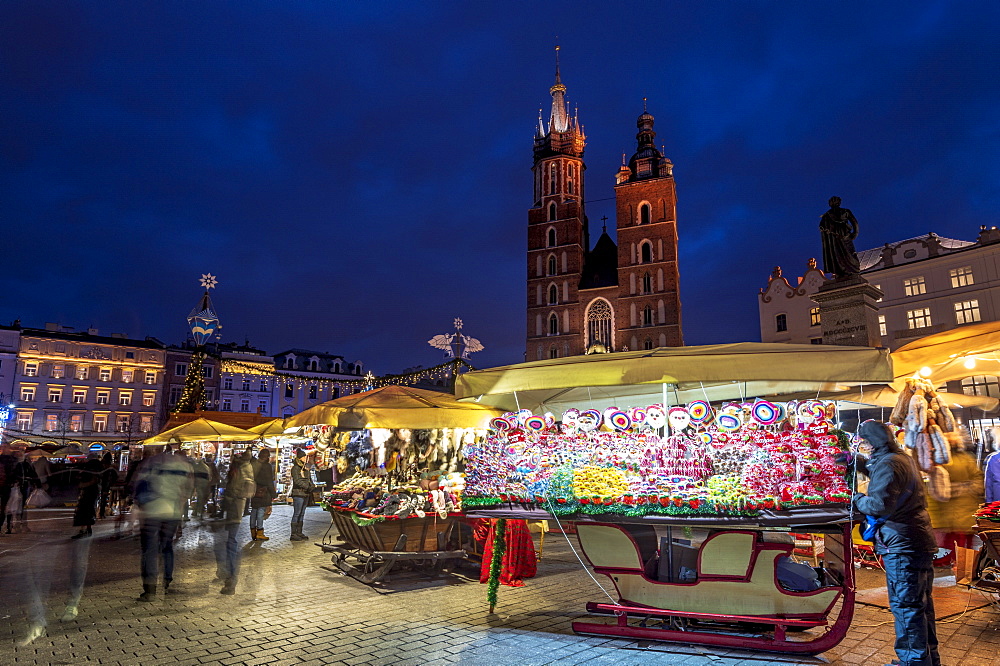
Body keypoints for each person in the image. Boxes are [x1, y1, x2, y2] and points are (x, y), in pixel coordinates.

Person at [852, 420, 940, 666]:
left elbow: (879, 505)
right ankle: (928, 660)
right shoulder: (901, 458)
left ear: (874, 442)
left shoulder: (890, 463)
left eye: (866, 442)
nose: (865, 447)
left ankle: (913, 662)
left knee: (906, 607)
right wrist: (859, 463)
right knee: (921, 607)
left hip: (903, 545)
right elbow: (883, 474)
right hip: (916, 540)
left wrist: (856, 497)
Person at [134, 447, 193, 601]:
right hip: (172, 512)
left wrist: (140, 506)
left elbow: (140, 485)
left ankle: (150, 590)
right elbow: (188, 489)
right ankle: (167, 581)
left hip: (152, 511)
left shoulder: (151, 463)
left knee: (150, 550)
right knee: (167, 546)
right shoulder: (183, 464)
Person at [925, 433, 984, 566]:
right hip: (960, 509)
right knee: (962, 541)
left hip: (952, 511)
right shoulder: (967, 459)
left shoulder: (937, 461)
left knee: (954, 541)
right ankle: (963, 564)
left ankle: (958, 564)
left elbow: (933, 489)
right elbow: (978, 481)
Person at [214, 450, 255, 594]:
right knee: (228, 543)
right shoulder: (241, 468)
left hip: (235, 510)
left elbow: (240, 490)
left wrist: (230, 500)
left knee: (230, 543)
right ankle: (226, 574)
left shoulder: (242, 469)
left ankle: (230, 578)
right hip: (232, 510)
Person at [819, 196, 861, 278]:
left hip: (834, 238)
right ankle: (849, 270)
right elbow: (855, 223)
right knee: (848, 253)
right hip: (844, 235)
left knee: (838, 255)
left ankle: (844, 271)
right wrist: (855, 233)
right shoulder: (844, 211)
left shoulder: (827, 215)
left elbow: (822, 227)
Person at [71, 456, 103, 539]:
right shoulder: (95, 473)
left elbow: (81, 484)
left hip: (87, 494)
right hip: (91, 494)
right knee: (88, 511)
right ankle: (87, 529)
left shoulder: (89, 473)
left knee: (85, 511)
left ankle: (84, 530)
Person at [248, 448, 275, 541]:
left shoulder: (253, 464)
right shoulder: (266, 466)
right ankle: (260, 532)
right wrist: (273, 494)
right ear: (267, 457)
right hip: (263, 491)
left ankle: (253, 532)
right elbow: (269, 481)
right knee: (260, 511)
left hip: (253, 490)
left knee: (254, 511)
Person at [289, 449, 315, 541]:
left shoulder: (305, 468)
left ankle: (299, 532)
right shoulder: (295, 468)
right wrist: (306, 487)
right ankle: (293, 534)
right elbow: (297, 480)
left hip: (305, 494)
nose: (306, 458)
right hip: (298, 493)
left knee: (302, 514)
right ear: (300, 458)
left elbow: (309, 479)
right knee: (297, 513)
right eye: (304, 457)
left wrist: (312, 486)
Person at [12, 453, 41, 532]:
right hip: (22, 486)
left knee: (19, 505)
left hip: (21, 486)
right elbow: (34, 475)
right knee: (20, 506)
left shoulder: (23, 465)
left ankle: (18, 524)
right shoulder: (25, 465)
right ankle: (20, 524)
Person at [189, 453, 212, 520]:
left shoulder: (197, 467)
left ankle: (197, 511)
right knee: (201, 497)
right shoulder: (206, 467)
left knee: (200, 497)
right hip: (204, 484)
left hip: (199, 484)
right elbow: (209, 476)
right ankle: (199, 511)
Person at [97, 453, 117, 519]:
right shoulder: (110, 468)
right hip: (105, 485)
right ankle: (101, 513)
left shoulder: (100, 465)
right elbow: (114, 476)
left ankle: (99, 512)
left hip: (99, 484)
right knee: (103, 499)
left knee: (100, 499)